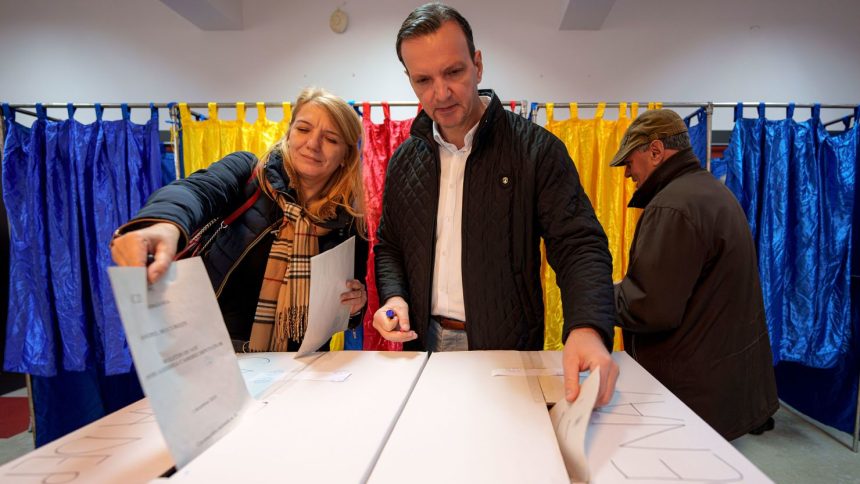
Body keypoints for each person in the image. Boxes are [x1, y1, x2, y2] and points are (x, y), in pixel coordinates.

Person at [371, 3, 618, 406]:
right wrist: (395, 297)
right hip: (424, 345)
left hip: (508, 350)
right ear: (410, 80)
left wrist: (587, 328)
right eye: (423, 80)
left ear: (478, 65)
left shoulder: (535, 151)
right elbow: (390, 246)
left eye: (453, 72)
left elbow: (579, 245)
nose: (441, 92)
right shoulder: (404, 160)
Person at [111, 87, 368, 353]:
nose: (312, 144)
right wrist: (164, 224)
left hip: (300, 366)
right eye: (303, 129)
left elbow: (346, 311)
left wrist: (355, 306)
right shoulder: (248, 173)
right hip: (215, 353)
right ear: (289, 133)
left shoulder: (350, 221)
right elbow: (196, 191)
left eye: (331, 139)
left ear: (345, 157)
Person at [610, 108, 778, 440]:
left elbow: (650, 308)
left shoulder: (672, 207)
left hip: (690, 397)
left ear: (656, 151)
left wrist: (595, 292)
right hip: (719, 387)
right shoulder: (711, 193)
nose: (627, 172)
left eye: (630, 160)